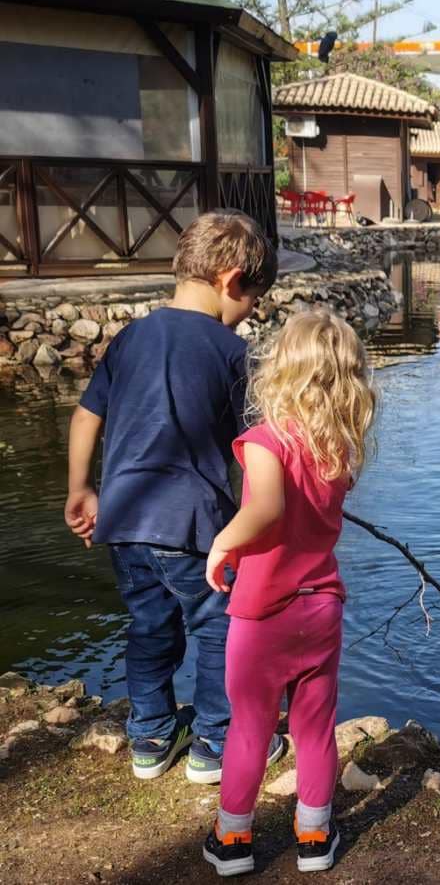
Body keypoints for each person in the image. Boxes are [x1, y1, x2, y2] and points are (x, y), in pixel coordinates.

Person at [64, 210, 284, 784]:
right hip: (193, 525)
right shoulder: (232, 354)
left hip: (125, 517)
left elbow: (87, 415)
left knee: (149, 625)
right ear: (231, 281)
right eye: (253, 302)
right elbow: (256, 447)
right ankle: (216, 742)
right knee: (219, 627)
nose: (249, 315)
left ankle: (151, 737)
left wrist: (81, 489)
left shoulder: (131, 337)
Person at [201, 311, 376, 877]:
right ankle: (315, 835)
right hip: (321, 605)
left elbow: (267, 510)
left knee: (251, 723)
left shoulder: (263, 440)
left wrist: (222, 544)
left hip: (262, 612)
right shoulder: (338, 449)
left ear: (279, 369)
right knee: (315, 726)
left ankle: (232, 842)